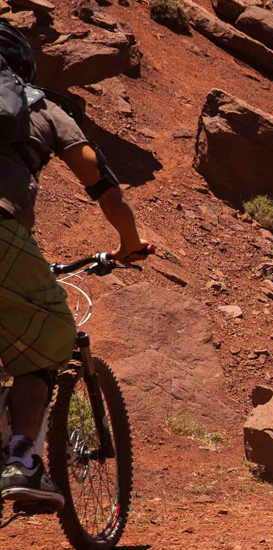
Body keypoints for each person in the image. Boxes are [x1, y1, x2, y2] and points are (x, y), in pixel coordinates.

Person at [0, 23, 151, 508]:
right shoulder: (38, 107)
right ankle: (23, 461)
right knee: (49, 341)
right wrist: (129, 242)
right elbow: (102, 184)